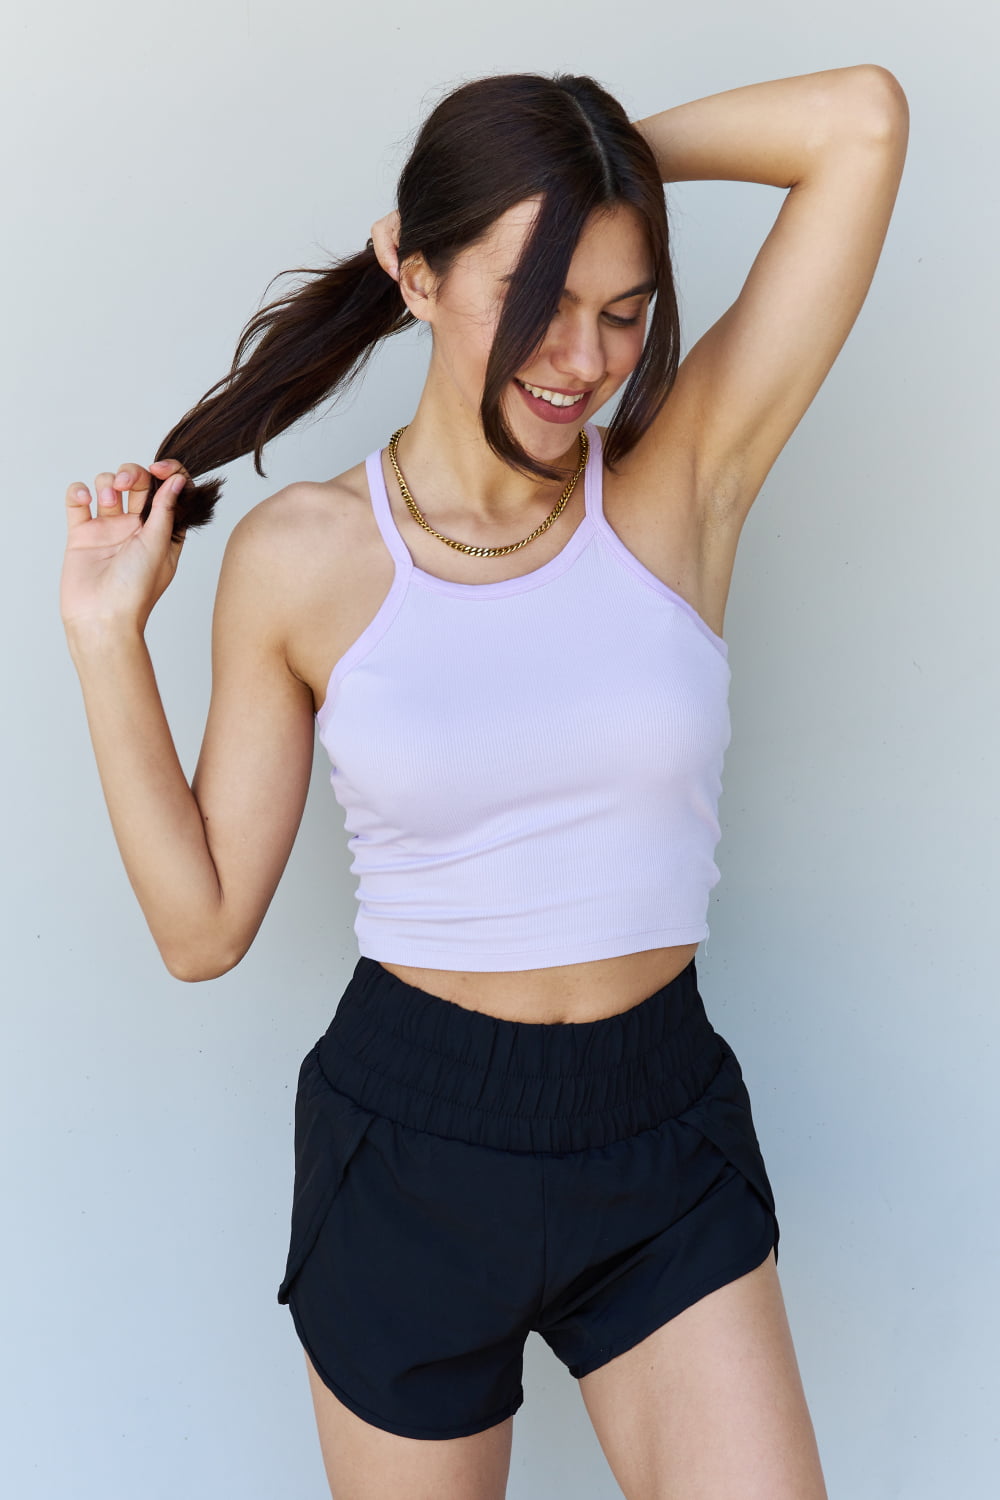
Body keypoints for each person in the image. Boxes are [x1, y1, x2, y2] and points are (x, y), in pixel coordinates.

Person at [61, 65, 907, 1500]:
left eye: (622, 308)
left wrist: (605, 161)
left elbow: (863, 124)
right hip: (411, 1148)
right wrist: (102, 640)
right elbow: (201, 930)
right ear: (417, 272)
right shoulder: (303, 558)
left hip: (659, 1129)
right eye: (534, 296)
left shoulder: (674, 486)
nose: (582, 357)